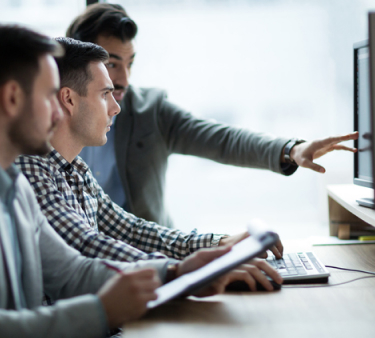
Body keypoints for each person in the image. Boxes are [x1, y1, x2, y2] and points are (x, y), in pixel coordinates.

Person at [0, 25, 281, 338]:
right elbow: (86, 247)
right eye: (48, 97)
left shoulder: (19, 185)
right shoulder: (29, 173)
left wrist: (181, 267)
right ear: (13, 98)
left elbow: (76, 267)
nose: (57, 113)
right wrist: (106, 309)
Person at [67, 3, 358, 227]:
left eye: (130, 63)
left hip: (152, 258)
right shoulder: (51, 125)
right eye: (112, 65)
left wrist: (291, 149)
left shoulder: (149, 111)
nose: (125, 80)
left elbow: (222, 139)